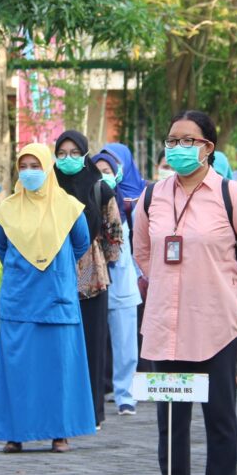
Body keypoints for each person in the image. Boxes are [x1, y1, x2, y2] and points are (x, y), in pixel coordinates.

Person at [133, 110, 237, 475]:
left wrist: (227, 290)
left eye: (187, 141)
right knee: (170, 422)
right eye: (172, 141)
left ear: (208, 147)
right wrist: (167, 285)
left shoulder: (233, 195)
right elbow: (143, 253)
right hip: (165, 326)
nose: (178, 148)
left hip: (215, 326)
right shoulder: (151, 196)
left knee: (220, 419)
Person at [0, 143, 95, 453]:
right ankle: (15, 434)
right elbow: (1, 248)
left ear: (48, 168)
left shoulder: (69, 207)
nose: (29, 172)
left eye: (36, 166)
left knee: (59, 370)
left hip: (56, 299)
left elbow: (81, 244)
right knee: (17, 369)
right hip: (19, 300)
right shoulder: (5, 210)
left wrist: (54, 268)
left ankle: (60, 434)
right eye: (24, 166)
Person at [54, 130, 124, 428]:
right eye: (61, 153)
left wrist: (98, 261)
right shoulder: (48, 187)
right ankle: (60, 410)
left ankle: (93, 412)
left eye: (74, 153)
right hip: (53, 275)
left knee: (92, 346)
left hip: (91, 277)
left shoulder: (100, 189)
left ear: (85, 155)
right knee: (59, 348)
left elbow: (114, 233)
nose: (67, 159)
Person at [93, 148, 142, 415]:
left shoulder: (129, 205)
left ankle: (126, 395)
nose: (103, 176)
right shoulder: (84, 202)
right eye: (97, 171)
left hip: (122, 281)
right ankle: (94, 395)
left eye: (107, 171)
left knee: (125, 344)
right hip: (91, 283)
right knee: (93, 343)